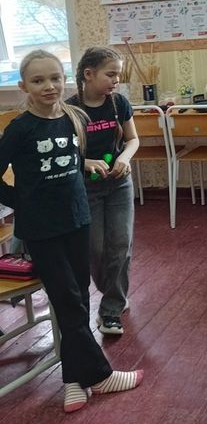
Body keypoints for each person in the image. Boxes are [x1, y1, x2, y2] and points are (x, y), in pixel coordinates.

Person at [0, 50, 143, 413]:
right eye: (38, 81)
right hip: (42, 230)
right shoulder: (19, 128)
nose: (49, 86)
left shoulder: (73, 118)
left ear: (65, 80)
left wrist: (87, 164)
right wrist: (21, 202)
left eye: (54, 78)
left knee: (77, 300)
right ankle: (100, 376)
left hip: (77, 220)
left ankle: (73, 381)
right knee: (66, 300)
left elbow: (70, 161)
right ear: (24, 86)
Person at [67, 47, 139, 336]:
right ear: (89, 74)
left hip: (119, 184)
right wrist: (85, 163)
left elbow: (133, 140)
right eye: (111, 74)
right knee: (95, 249)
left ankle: (110, 311)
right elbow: (64, 153)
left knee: (121, 244)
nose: (116, 80)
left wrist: (124, 158)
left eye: (118, 75)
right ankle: (113, 292)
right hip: (86, 188)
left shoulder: (118, 103)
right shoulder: (70, 110)